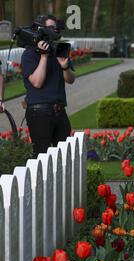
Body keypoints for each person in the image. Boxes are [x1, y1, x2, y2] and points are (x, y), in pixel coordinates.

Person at [22, 14, 76, 158]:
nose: (55, 30)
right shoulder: (30, 53)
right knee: (42, 156)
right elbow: (37, 82)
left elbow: (71, 80)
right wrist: (44, 56)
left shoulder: (58, 50)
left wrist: (65, 67)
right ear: (41, 29)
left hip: (59, 111)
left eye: (56, 27)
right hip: (39, 113)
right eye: (52, 27)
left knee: (64, 156)